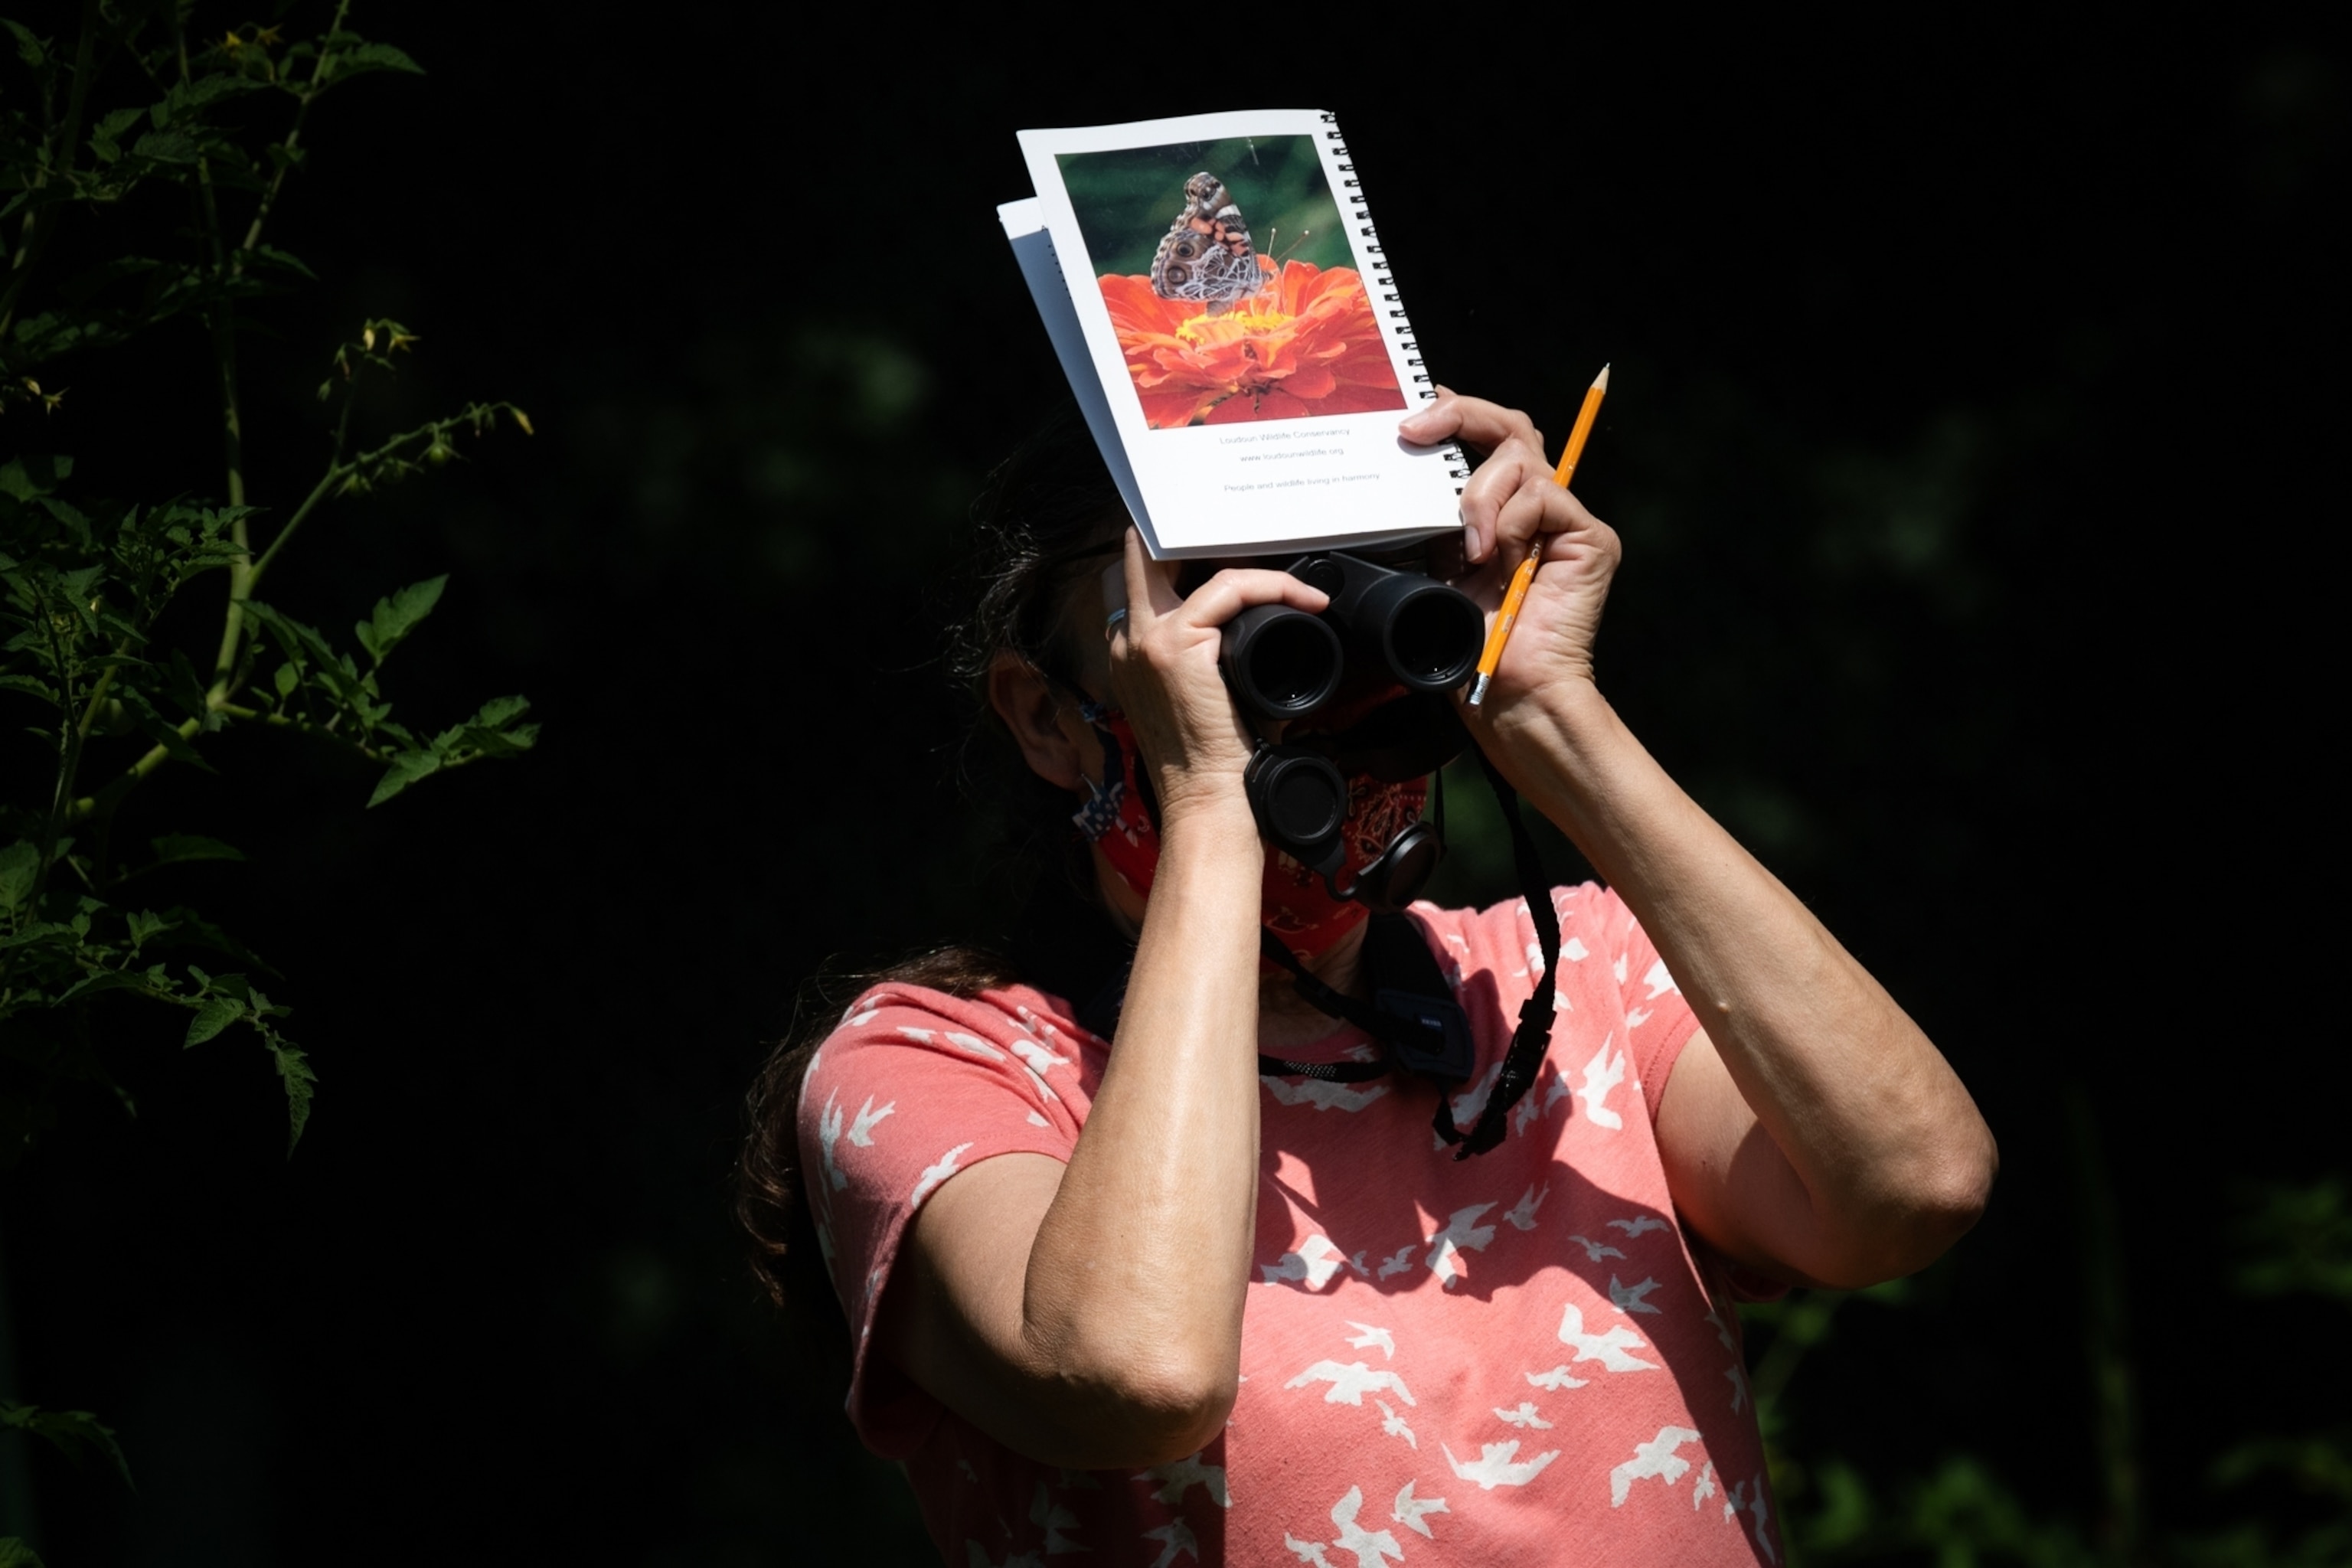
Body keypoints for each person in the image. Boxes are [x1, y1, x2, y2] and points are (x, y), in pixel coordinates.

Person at [738, 390, 1998, 1566]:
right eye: (1222, 605)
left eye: (1358, 586)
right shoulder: (937, 1068)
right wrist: (1211, 801)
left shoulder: (1580, 984)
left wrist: (1554, 712)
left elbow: (1911, 1186)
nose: (1318, 676)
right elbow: (1137, 1375)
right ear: (1047, 715)